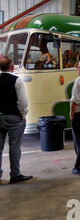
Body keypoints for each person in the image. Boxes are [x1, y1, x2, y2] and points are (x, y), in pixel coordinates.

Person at [0, 56, 33, 184]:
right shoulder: (16, 80)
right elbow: (22, 102)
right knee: (14, 147)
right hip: (13, 117)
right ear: (12, 67)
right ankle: (15, 175)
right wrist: (23, 115)